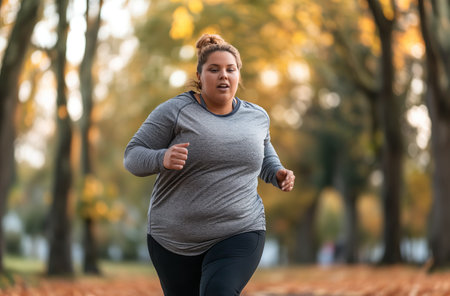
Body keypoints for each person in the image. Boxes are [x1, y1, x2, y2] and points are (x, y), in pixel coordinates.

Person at [123, 33, 295, 296]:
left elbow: (263, 157)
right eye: (214, 70)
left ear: (239, 75)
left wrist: (278, 174)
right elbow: (132, 156)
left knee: (219, 291)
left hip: (239, 229)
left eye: (230, 69)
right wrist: (162, 158)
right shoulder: (175, 111)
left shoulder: (257, 117)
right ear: (199, 75)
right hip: (173, 240)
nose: (223, 76)